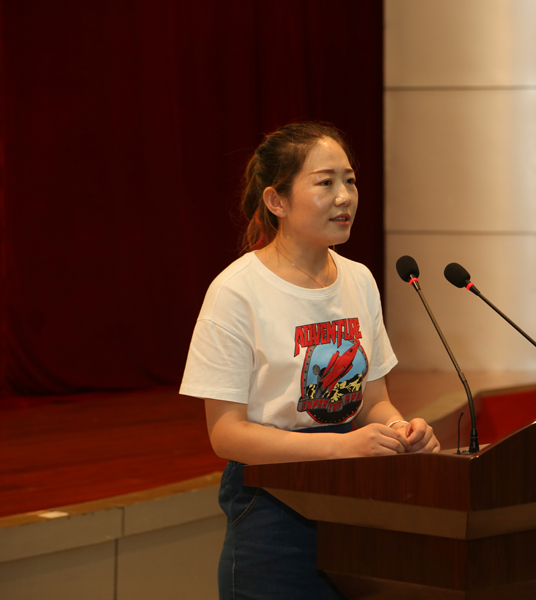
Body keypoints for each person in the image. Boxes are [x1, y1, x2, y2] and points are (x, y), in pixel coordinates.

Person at [180, 122, 440, 600]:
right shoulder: (237, 291)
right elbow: (226, 434)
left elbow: (372, 402)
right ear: (276, 201)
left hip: (356, 500)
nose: (344, 197)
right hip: (272, 504)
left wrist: (401, 429)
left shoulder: (359, 280)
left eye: (350, 180)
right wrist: (341, 447)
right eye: (325, 182)